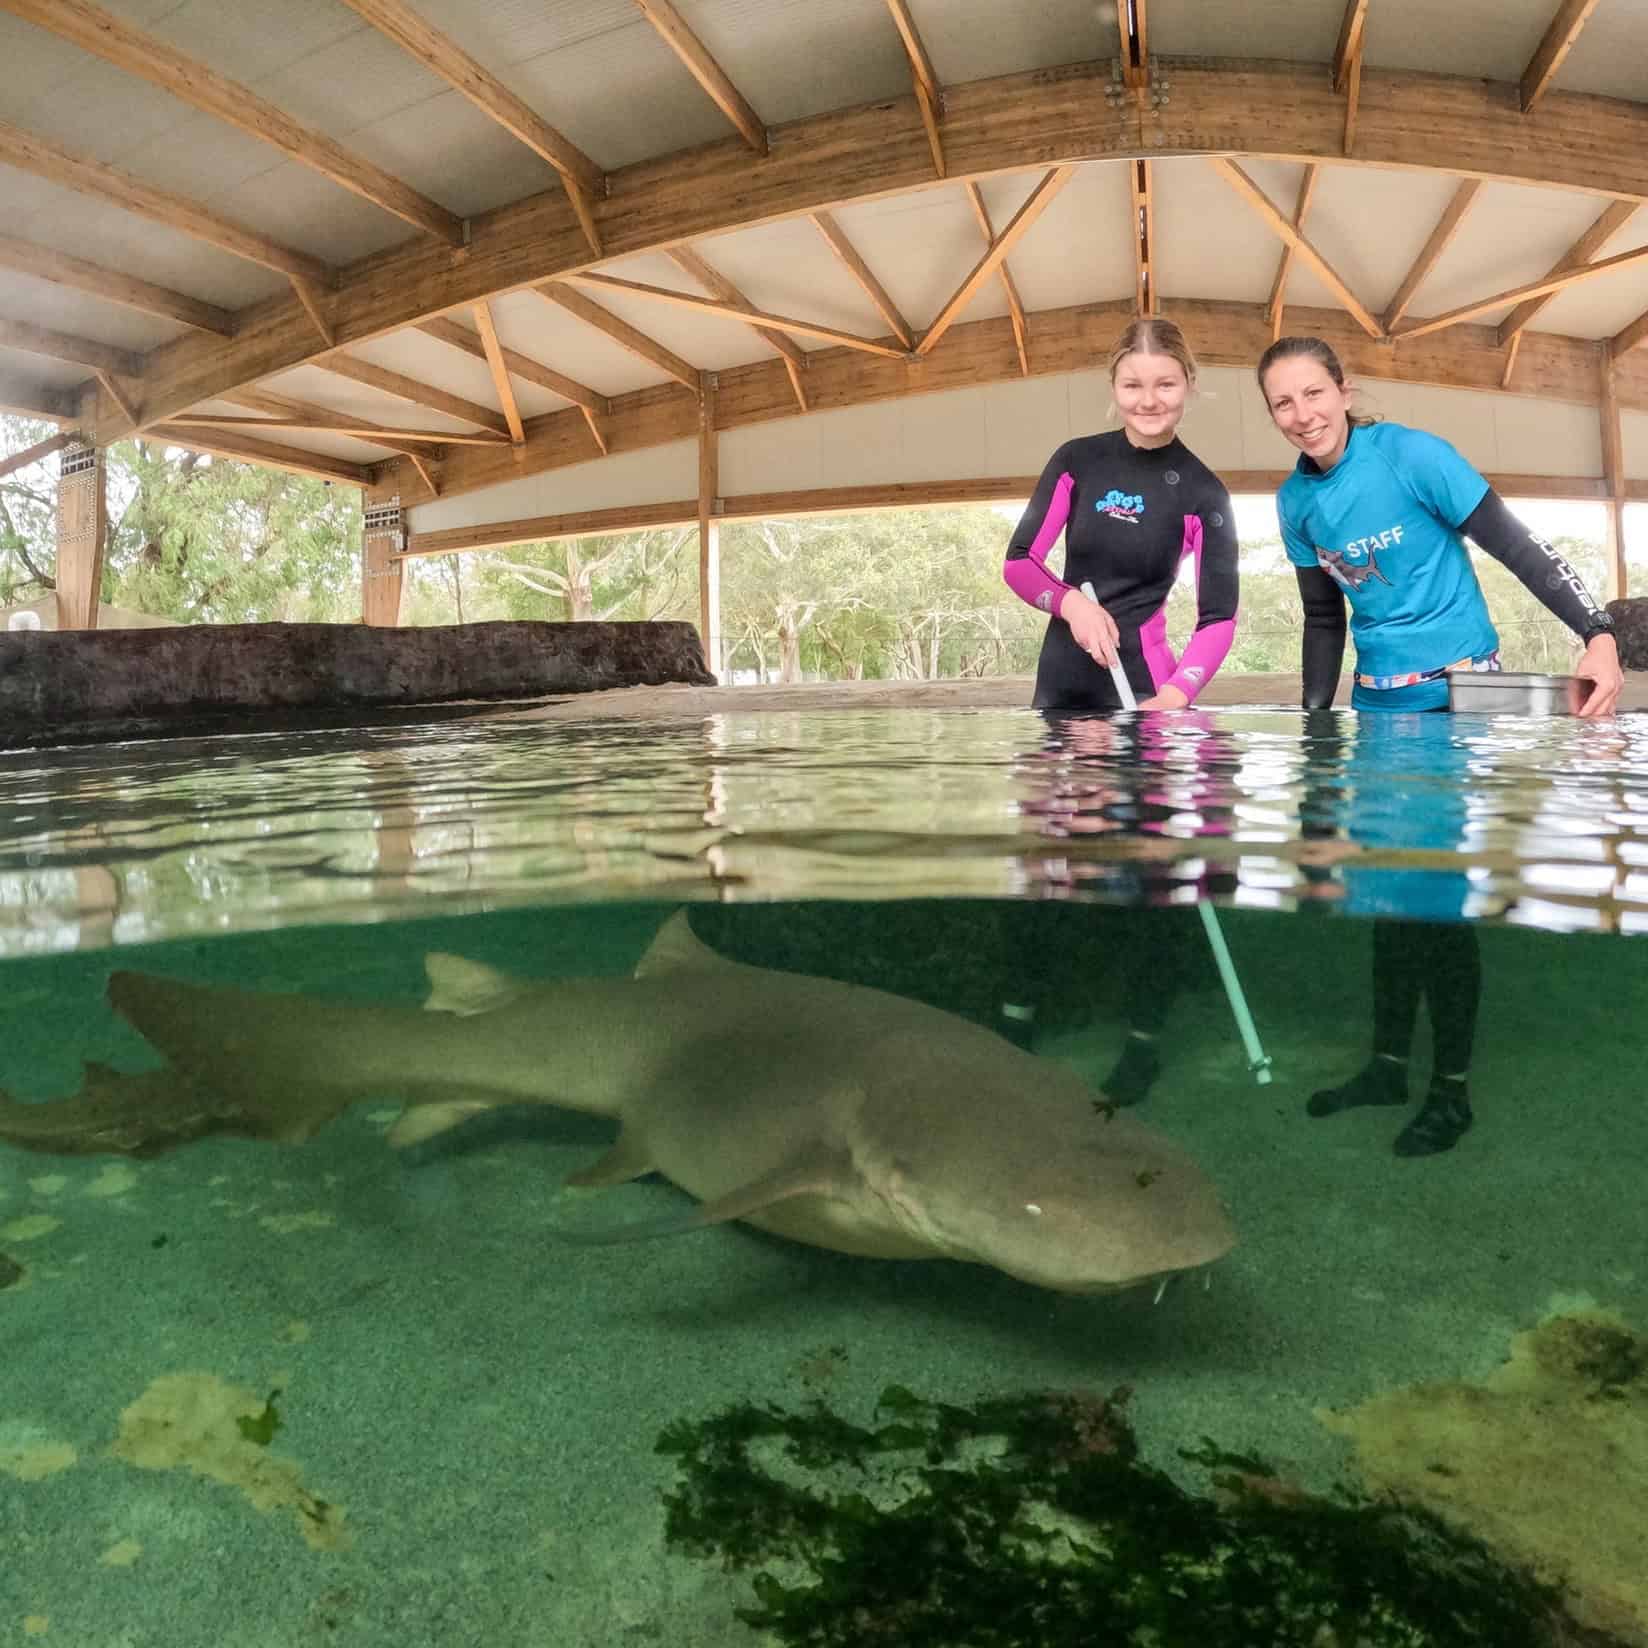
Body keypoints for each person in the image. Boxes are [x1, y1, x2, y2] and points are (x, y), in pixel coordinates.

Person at [1258, 334, 1624, 1156]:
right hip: (1379, 710)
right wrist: (1319, 729)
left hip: (1458, 699)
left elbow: (1516, 544)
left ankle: (1450, 1092)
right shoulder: (1294, 504)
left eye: (1313, 393)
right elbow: (1325, 619)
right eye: (1282, 402)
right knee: (1385, 897)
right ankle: (1388, 1065)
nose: (1301, 414)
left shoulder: (1412, 456)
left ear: (1344, 390)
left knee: (1436, 900)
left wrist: (1596, 631)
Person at [999, 315, 1241, 1101]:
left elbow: (1219, 617)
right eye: (1134, 384)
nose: (1149, 398)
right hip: (1067, 687)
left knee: (1153, 881)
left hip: (1148, 701)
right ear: (1114, 390)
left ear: (1188, 387)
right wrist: (1070, 604)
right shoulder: (1078, 461)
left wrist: (1174, 699)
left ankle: (1143, 1036)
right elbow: (1020, 560)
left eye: (1165, 383)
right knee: (1047, 866)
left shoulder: (1202, 490)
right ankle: (1017, 1012)